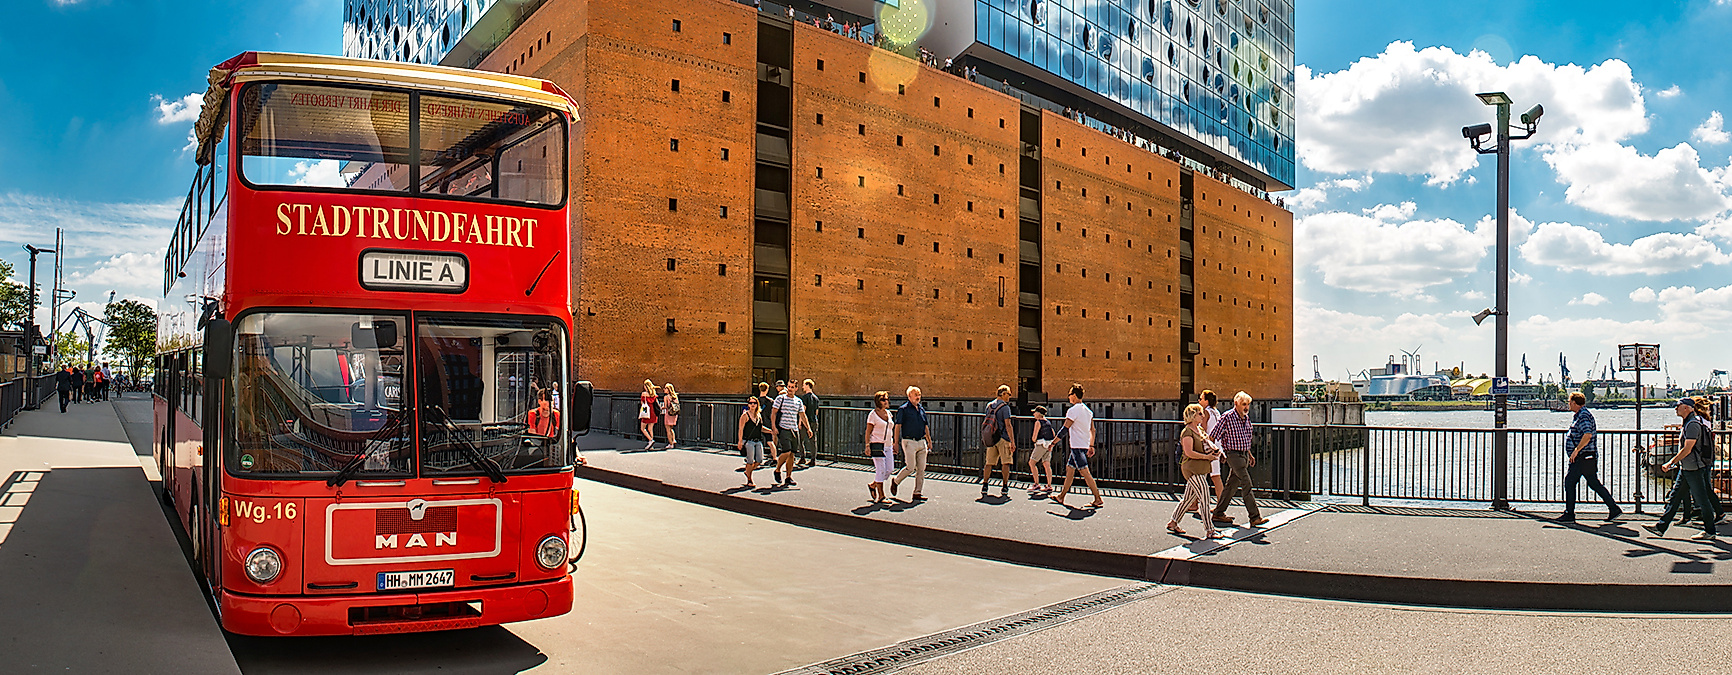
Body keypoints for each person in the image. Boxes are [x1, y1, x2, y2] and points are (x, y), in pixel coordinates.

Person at [1646, 398, 1719, 539]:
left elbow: (1688, 448)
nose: (1675, 408)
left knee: (1702, 499)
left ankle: (1710, 531)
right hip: (1687, 468)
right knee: (1674, 498)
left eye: (1678, 406)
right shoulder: (1688, 423)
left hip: (1694, 468)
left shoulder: (1692, 424)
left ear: (1687, 408)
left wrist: (1670, 462)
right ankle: (1660, 527)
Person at [1557, 392, 1620, 522]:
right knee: (1593, 483)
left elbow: (1587, 434)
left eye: (1569, 402)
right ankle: (1613, 508)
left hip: (1582, 456)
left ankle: (1569, 513)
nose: (1568, 404)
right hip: (1585, 457)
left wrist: (1576, 450)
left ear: (1574, 403)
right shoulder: (1581, 415)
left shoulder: (1583, 416)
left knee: (1570, 482)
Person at [1209, 391, 1267, 527]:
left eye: (1248, 404)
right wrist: (1215, 451)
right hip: (1233, 455)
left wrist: (1250, 455)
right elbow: (1212, 435)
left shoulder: (1246, 418)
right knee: (1246, 483)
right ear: (1236, 404)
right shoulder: (1227, 417)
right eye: (1243, 404)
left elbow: (1245, 438)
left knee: (1231, 485)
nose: (1246, 407)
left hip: (1243, 455)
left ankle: (1218, 512)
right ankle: (1255, 516)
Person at [1168, 404, 1222, 538]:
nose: (1203, 416)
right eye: (1200, 414)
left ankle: (1173, 522)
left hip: (1202, 468)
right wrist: (1207, 457)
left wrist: (1214, 452)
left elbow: (1207, 444)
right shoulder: (1187, 432)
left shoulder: (1199, 430)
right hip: (1192, 469)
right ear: (1192, 416)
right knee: (1205, 497)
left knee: (1188, 499)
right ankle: (1210, 530)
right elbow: (1189, 452)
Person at [1051, 384, 1104, 508]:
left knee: (1085, 473)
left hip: (1076, 447)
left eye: (1069, 395)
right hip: (1084, 445)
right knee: (1070, 470)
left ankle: (1098, 498)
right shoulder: (1088, 411)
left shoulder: (1073, 410)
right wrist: (1091, 445)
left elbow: (1064, 429)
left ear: (1074, 396)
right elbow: (1093, 430)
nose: (1068, 397)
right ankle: (1061, 496)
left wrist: (1053, 442)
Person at [890, 386, 933, 500]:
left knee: (921, 469)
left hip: (921, 441)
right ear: (909, 396)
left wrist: (929, 440)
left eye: (919, 394)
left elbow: (925, 426)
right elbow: (898, 426)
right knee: (910, 467)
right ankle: (896, 481)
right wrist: (896, 442)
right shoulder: (903, 409)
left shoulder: (921, 409)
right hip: (909, 441)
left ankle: (917, 492)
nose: (918, 397)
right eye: (916, 394)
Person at [771, 380, 810, 488]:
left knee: (792, 454)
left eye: (792, 387)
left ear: (796, 389)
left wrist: (808, 428)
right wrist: (773, 426)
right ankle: (777, 469)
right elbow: (773, 413)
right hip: (784, 428)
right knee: (786, 451)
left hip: (794, 430)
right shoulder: (780, 399)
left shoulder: (798, 401)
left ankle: (788, 477)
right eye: (789, 386)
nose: (790, 389)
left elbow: (803, 415)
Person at [981, 384, 1016, 497]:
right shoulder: (1005, 408)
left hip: (992, 437)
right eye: (1008, 394)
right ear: (1003, 394)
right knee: (1006, 462)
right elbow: (1008, 424)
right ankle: (1005, 486)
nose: (1009, 397)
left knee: (989, 463)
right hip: (1003, 437)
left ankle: (985, 484)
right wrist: (1012, 441)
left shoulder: (989, 405)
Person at [864, 391, 896, 502]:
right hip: (877, 445)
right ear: (878, 402)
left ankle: (873, 485)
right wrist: (867, 445)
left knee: (890, 469)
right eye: (884, 400)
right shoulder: (873, 415)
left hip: (888, 445)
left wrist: (894, 443)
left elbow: (891, 428)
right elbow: (868, 431)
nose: (886, 402)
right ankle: (881, 496)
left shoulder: (889, 413)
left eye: (887, 399)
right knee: (880, 470)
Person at [737, 397, 771, 488]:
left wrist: (771, 431)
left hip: (758, 440)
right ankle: (749, 479)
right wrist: (740, 441)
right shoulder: (745, 415)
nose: (752, 405)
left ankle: (747, 472)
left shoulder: (759, 416)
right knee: (750, 461)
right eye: (751, 403)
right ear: (748, 405)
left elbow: (760, 427)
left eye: (754, 403)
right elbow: (741, 428)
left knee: (759, 460)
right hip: (749, 441)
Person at [1199, 390, 1225, 502]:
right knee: (1215, 476)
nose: (1199, 401)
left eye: (1201, 399)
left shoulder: (1205, 412)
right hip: (1217, 446)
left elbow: (1203, 430)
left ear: (1206, 401)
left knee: (1199, 475)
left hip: (1208, 447)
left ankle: (1194, 503)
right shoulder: (1216, 412)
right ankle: (1221, 503)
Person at [1028, 406, 1057, 495]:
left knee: (1032, 463)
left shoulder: (1038, 422)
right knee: (1047, 464)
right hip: (1049, 445)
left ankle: (1036, 483)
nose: (1033, 414)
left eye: (1035, 412)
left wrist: (1034, 440)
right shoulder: (1048, 422)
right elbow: (1053, 433)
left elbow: (1034, 436)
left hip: (1041, 444)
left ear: (1039, 413)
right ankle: (1049, 485)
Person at [798, 379, 822, 467]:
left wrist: (800, 422)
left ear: (808, 385)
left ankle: (802, 457)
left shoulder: (804, 398)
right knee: (813, 440)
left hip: (806, 421)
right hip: (814, 420)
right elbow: (816, 412)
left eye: (804, 385)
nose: (802, 386)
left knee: (800, 439)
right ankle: (813, 459)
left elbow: (803, 411)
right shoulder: (816, 398)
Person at [638, 380, 661, 449]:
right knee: (650, 429)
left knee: (643, 428)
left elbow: (642, 404)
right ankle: (651, 445)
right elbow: (657, 403)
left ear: (646, 386)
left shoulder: (644, 394)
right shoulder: (654, 394)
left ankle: (650, 440)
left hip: (646, 413)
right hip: (653, 413)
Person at [661, 382, 682, 449]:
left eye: (665, 388)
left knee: (667, 429)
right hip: (674, 414)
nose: (664, 389)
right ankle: (674, 440)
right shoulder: (675, 396)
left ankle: (670, 443)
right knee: (671, 428)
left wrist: (662, 408)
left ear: (668, 389)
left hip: (668, 413)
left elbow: (666, 406)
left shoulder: (666, 397)